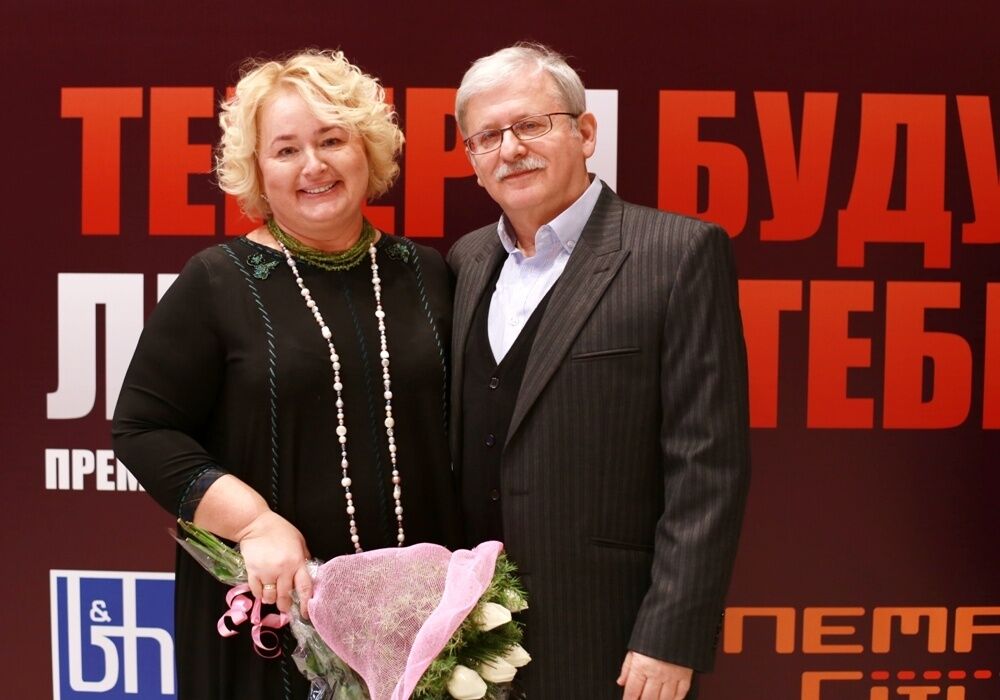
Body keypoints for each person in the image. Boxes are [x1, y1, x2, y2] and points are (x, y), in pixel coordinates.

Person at [113, 50, 461, 699]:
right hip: (273, 619)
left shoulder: (427, 273)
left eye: (332, 140)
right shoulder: (216, 281)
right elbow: (142, 428)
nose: (313, 166)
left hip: (423, 621)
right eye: (286, 150)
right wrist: (253, 524)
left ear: (367, 150)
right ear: (257, 171)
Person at [448, 43, 750, 699]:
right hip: (468, 642)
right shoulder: (466, 261)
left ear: (585, 133)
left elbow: (707, 467)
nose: (510, 149)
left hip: (612, 637)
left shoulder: (678, 253)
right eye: (487, 137)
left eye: (532, 125)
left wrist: (670, 636)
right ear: (472, 160)